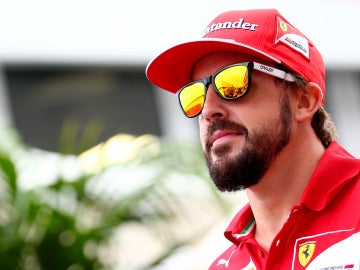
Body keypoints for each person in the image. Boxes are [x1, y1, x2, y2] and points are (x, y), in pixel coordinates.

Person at [146, 8, 360, 269]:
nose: (208, 109)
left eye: (233, 83)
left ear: (304, 101)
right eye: (196, 94)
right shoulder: (223, 265)